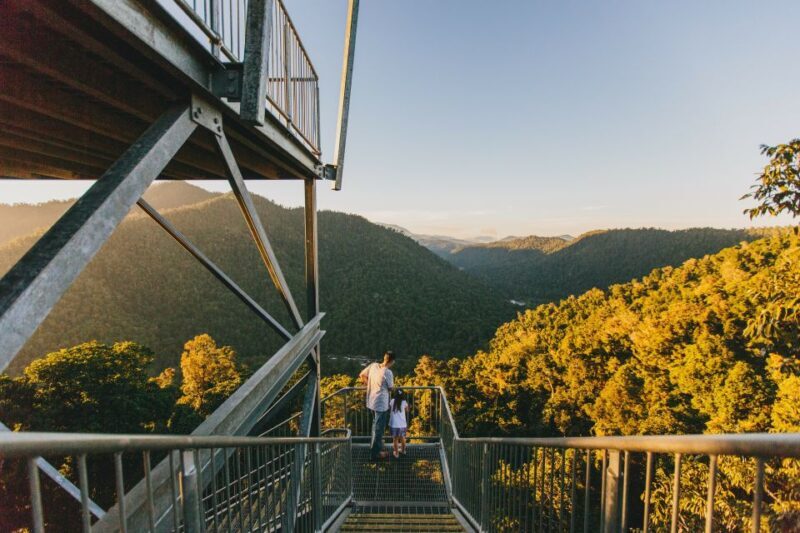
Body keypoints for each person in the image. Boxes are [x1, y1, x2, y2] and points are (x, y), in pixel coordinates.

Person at [359, 351, 395, 460]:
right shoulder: (388, 372)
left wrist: (369, 384)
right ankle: (375, 455)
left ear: (384, 358)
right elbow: (390, 388)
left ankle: (374, 448)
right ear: (392, 361)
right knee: (379, 429)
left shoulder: (373, 365)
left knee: (375, 426)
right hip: (381, 404)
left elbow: (362, 375)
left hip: (371, 400)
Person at [389, 389, 409, 458]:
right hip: (402, 424)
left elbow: (390, 407)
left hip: (394, 424)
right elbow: (407, 410)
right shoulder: (404, 402)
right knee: (403, 438)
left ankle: (396, 453)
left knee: (395, 439)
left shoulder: (392, 401)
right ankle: (403, 451)